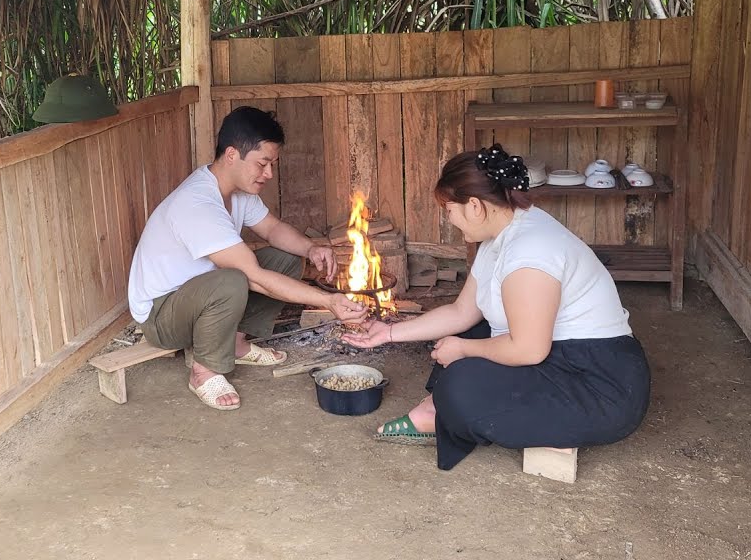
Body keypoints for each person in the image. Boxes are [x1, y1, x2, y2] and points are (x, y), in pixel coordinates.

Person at [343, 144, 651, 470]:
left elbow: (529, 349)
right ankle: (439, 406)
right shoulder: (502, 234)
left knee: (460, 386)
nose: (450, 219)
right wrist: (388, 332)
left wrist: (463, 350)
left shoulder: (529, 252)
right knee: (471, 329)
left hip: (599, 384)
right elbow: (462, 312)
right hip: (560, 353)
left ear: (475, 206)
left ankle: (446, 406)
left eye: (449, 210)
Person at [128, 106, 368, 411]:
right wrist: (329, 301)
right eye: (262, 164)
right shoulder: (198, 203)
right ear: (232, 154)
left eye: (272, 165)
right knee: (233, 279)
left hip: (196, 296)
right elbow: (255, 278)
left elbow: (273, 229)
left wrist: (310, 249)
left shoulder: (237, 192)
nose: (269, 174)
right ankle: (203, 372)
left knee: (285, 259)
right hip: (161, 316)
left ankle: (236, 343)